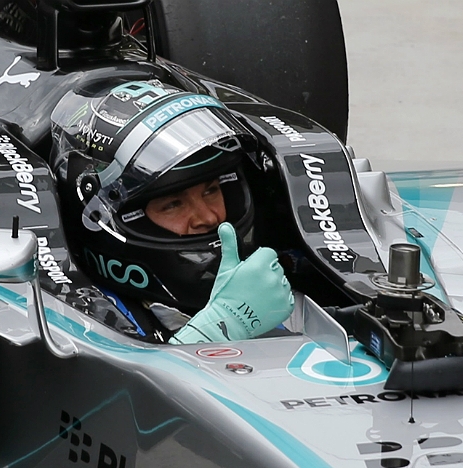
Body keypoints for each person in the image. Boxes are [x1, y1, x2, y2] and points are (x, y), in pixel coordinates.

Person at [50, 79, 294, 344]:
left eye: (211, 190)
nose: (209, 218)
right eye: (173, 204)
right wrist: (222, 326)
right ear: (101, 217)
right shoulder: (76, 320)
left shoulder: (283, 291)